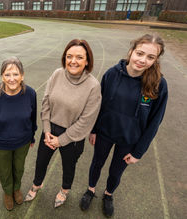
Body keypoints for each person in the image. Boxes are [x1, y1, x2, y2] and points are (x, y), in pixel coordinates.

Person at [79, 34, 168, 217]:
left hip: (129, 139)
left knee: (116, 171)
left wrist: (139, 151)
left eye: (150, 57)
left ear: (156, 59)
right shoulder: (112, 74)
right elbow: (98, 105)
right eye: (140, 53)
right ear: (131, 51)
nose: (143, 60)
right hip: (105, 133)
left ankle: (108, 195)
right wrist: (94, 130)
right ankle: (90, 190)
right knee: (97, 163)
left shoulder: (158, 84)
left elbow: (154, 122)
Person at [24, 39, 102, 208]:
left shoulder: (93, 86)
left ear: (87, 60)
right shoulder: (57, 74)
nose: (73, 61)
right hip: (50, 129)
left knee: (69, 166)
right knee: (40, 161)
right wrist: (46, 130)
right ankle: (37, 185)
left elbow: (86, 120)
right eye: (69, 56)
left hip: (73, 136)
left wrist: (61, 140)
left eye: (79, 57)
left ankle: (64, 190)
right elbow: (45, 102)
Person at [0, 57, 37, 211]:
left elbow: (33, 117)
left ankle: (16, 189)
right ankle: (7, 192)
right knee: (5, 172)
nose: (12, 79)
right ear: (2, 76)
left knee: (19, 168)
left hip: (22, 142)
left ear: (22, 75)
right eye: (7, 75)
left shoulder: (30, 93)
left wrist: (32, 137)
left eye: (16, 74)